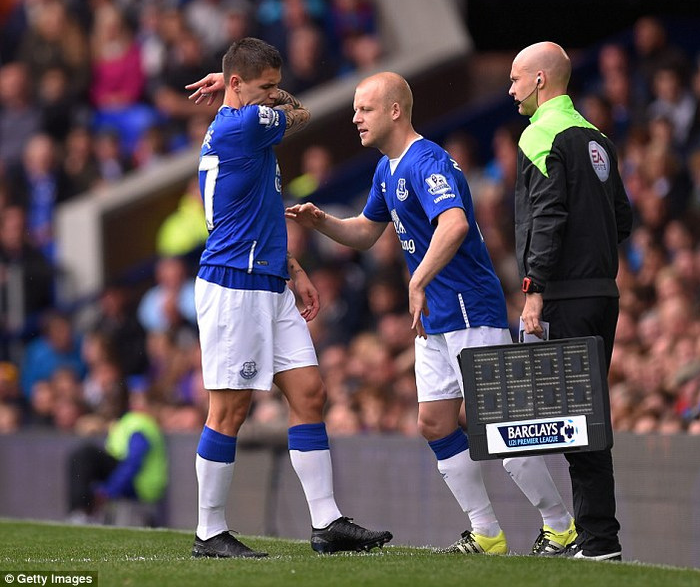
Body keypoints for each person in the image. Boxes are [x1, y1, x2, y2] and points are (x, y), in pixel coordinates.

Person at [285, 72, 576, 556]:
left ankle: (561, 527)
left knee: (501, 429)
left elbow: (455, 224)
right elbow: (366, 232)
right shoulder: (387, 169)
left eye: (365, 109)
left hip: (470, 310)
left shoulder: (427, 160)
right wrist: (323, 222)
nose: (355, 118)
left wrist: (416, 280)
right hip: (435, 319)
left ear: (395, 110)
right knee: (436, 422)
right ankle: (486, 532)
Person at [182, 38, 391, 558]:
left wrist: (293, 268)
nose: (274, 94)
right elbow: (303, 112)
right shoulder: (245, 126)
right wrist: (252, 95)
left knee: (309, 393)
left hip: (268, 279)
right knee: (229, 409)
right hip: (235, 285)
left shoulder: (244, 124)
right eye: (266, 86)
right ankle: (209, 531)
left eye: (276, 85)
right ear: (236, 84)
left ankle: (327, 523)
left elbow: (258, 212)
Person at [508, 42, 632, 561]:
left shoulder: (540, 134)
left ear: (540, 80)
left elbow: (548, 216)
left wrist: (534, 291)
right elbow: (622, 219)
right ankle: (596, 536)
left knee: (576, 419)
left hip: (565, 295)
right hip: (603, 293)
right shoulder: (597, 138)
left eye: (516, 79)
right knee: (586, 414)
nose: (510, 90)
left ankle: (599, 541)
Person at [66, 386, 168, 525]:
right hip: (136, 482)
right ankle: (83, 510)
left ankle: (82, 512)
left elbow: (133, 462)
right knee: (84, 457)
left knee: (86, 455)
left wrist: (109, 491)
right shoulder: (128, 423)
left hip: (139, 484)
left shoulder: (140, 423)